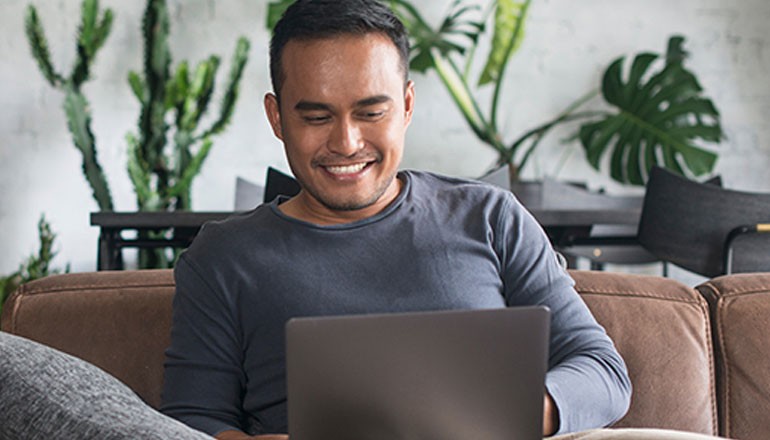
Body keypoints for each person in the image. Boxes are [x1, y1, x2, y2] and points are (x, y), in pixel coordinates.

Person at [159, 0, 631, 439]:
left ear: (406, 106)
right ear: (277, 117)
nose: (346, 143)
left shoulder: (489, 218)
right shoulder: (222, 257)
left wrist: (505, 413)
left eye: (371, 112)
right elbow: (191, 419)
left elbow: (601, 370)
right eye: (317, 117)